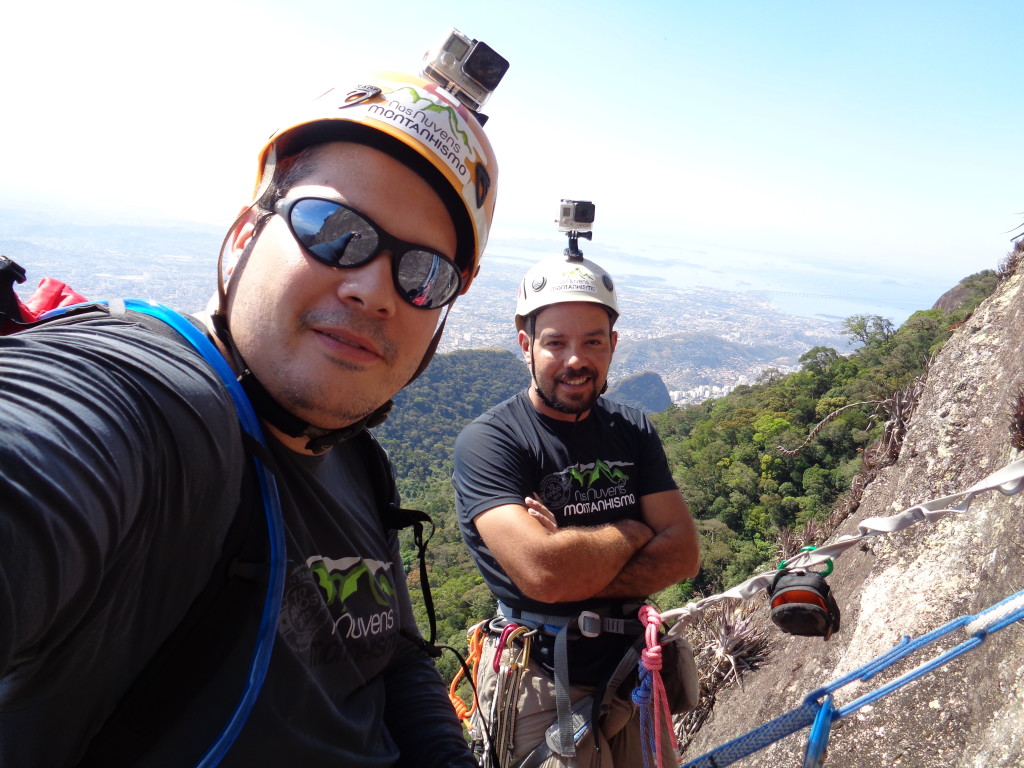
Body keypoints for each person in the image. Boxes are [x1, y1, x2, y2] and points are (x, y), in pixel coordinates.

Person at [0, 69, 499, 767]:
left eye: (424, 275)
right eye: (335, 230)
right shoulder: (150, 402)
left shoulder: (358, 465)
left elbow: (391, 659)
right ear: (244, 235)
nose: (373, 290)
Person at [452, 251, 701, 767]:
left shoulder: (631, 428)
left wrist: (573, 561)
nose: (575, 359)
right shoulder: (492, 442)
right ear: (526, 346)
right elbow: (546, 574)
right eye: (556, 342)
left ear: (612, 345)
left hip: (634, 669)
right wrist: (634, 530)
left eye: (592, 341)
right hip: (541, 679)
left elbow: (682, 556)